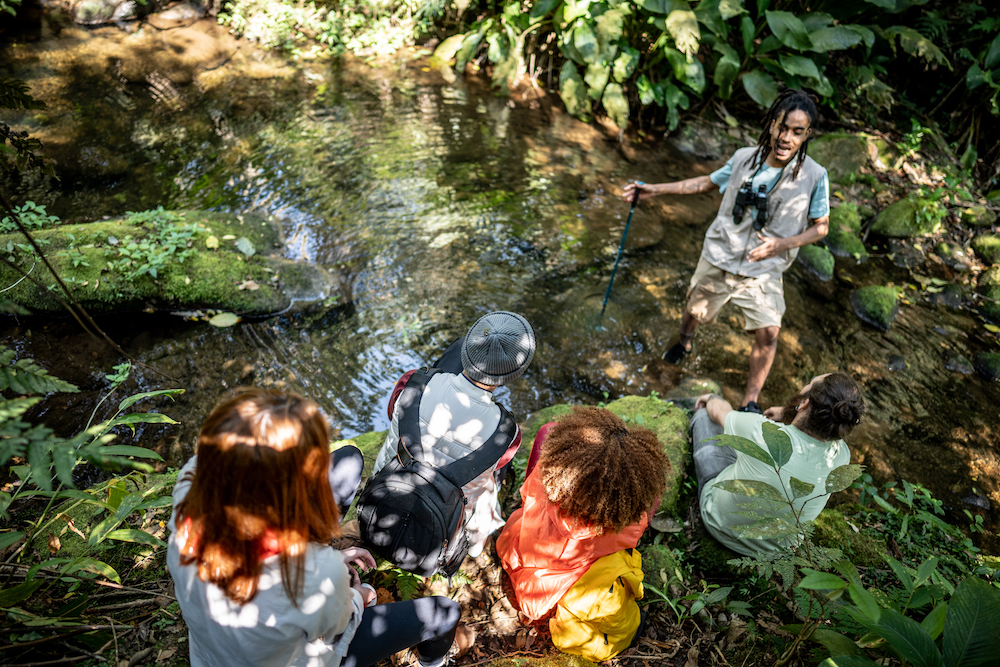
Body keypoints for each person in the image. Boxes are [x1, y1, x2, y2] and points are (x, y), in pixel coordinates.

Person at [167, 389, 462, 667]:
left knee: (346, 462)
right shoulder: (312, 577)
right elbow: (336, 627)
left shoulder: (191, 486)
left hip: (211, 655)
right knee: (445, 614)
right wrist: (360, 596)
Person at [623, 89, 831, 414]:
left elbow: (822, 226)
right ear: (771, 123)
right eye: (782, 127)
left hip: (764, 267)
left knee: (769, 332)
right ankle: (684, 342)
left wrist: (781, 244)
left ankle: (750, 401)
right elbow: (706, 183)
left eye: (797, 131)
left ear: (807, 135)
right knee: (694, 309)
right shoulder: (744, 158)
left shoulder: (815, 176)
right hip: (722, 252)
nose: (786, 138)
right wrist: (654, 190)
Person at [371, 311, 535, 559]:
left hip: (384, 490)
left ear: (466, 346)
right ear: (513, 374)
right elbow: (495, 468)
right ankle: (475, 540)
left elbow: (392, 411)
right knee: (491, 475)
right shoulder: (508, 433)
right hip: (441, 519)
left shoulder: (413, 381)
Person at [497, 407, 668, 624]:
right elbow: (648, 504)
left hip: (530, 580)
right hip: (554, 595)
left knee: (546, 432)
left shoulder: (542, 479)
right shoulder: (627, 526)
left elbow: (548, 439)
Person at [690, 372, 864, 556]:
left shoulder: (760, 431)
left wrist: (711, 397)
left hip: (719, 525)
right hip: (775, 552)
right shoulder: (842, 456)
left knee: (704, 417)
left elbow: (718, 411)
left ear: (805, 403)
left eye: (809, 382)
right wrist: (785, 412)